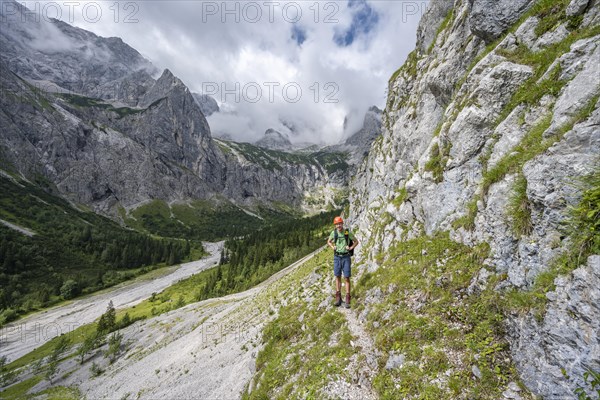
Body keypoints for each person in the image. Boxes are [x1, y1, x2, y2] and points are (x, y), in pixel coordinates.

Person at [327, 216, 359, 308]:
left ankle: (348, 297)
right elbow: (329, 241)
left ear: (342, 223)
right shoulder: (334, 233)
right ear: (335, 225)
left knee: (346, 277)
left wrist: (351, 248)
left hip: (346, 257)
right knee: (337, 276)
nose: (338, 226)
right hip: (337, 256)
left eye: (340, 223)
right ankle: (338, 297)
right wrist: (333, 247)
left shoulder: (347, 232)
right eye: (337, 224)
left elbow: (356, 241)